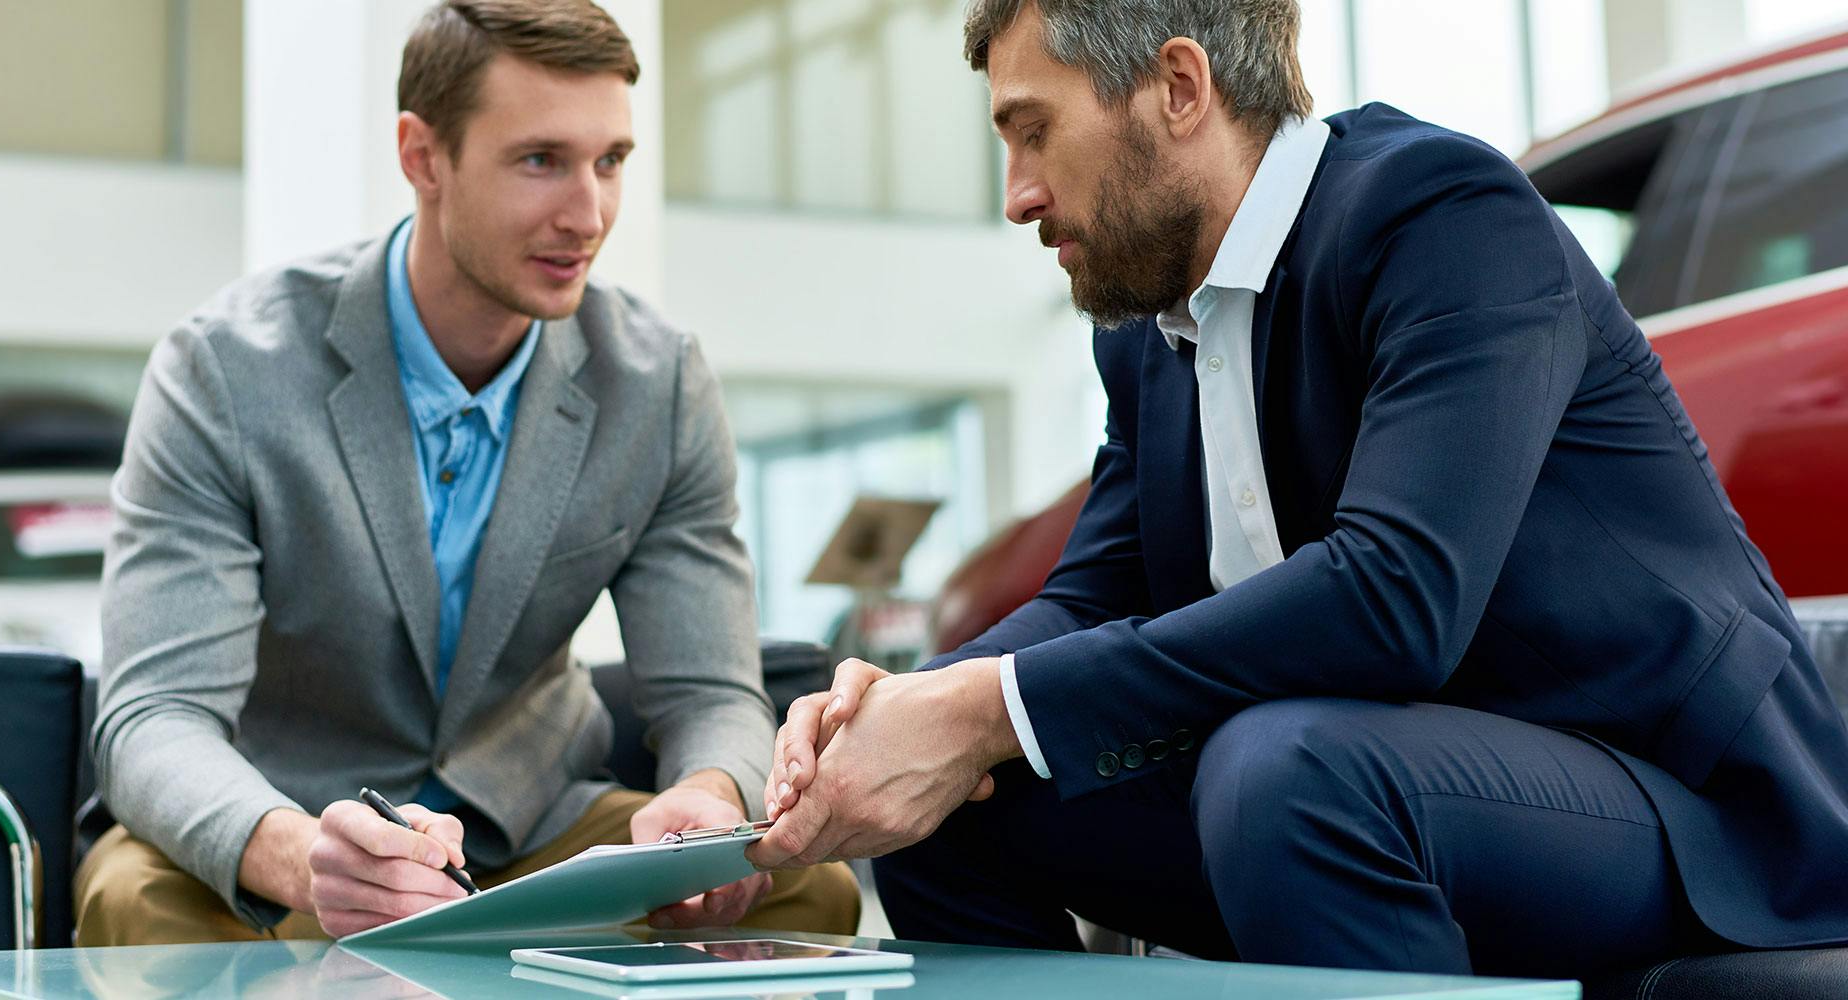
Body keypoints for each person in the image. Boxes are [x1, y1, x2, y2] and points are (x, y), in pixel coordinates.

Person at [747, 0, 1848, 978]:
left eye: (1035, 130)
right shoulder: (1146, 335)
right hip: (1364, 792)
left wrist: (984, 708)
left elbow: (1394, 598)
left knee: (1284, 771)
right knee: (948, 803)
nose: (1018, 194)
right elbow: (1091, 596)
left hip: (1686, 811)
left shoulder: (1441, 215)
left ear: (1181, 88)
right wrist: (895, 714)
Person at [78, 0, 858, 945]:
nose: (589, 214)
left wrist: (707, 796)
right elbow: (155, 717)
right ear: (422, 155)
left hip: (528, 823)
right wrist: (297, 856)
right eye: (541, 161)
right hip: (281, 827)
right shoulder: (225, 371)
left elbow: (711, 692)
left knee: (808, 895)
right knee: (136, 904)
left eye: (609, 161)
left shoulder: (658, 384)